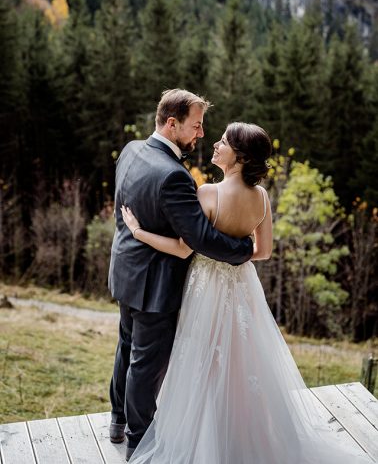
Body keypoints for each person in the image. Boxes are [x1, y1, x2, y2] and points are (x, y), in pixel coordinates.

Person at [122, 122, 370, 464]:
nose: (215, 145)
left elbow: (182, 249)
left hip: (207, 288)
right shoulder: (262, 197)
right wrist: (237, 253)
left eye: (223, 142)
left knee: (203, 365)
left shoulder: (208, 194)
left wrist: (138, 232)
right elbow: (263, 251)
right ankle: (247, 439)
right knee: (242, 366)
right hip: (242, 288)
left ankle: (207, 446)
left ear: (238, 157)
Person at [108, 90, 254, 461]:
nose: (201, 134)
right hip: (156, 284)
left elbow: (123, 208)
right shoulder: (174, 176)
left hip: (125, 271)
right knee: (146, 363)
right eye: (196, 126)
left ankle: (117, 419)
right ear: (171, 124)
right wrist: (244, 250)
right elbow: (200, 239)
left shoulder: (130, 150)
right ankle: (139, 441)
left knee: (127, 345)